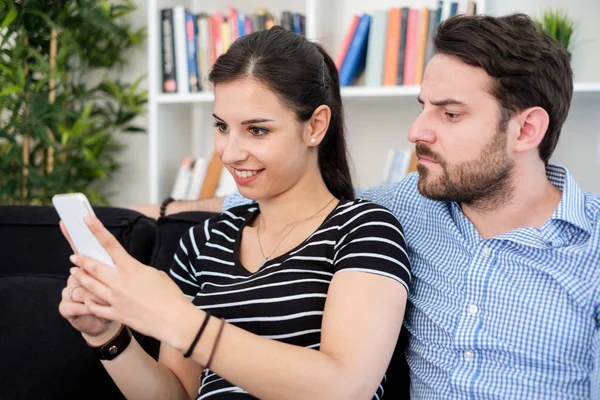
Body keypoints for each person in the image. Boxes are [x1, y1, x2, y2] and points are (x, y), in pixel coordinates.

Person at [136, 13, 600, 399]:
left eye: (450, 113)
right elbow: (281, 193)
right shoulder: (404, 206)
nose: (417, 130)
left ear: (526, 130)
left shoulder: (593, 245)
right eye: (423, 106)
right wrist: (163, 210)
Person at [58, 27, 411, 399]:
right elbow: (177, 395)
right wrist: (107, 336)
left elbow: (345, 388)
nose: (230, 152)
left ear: (316, 126)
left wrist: (178, 319)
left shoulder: (364, 230)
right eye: (222, 127)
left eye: (257, 130)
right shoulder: (204, 241)